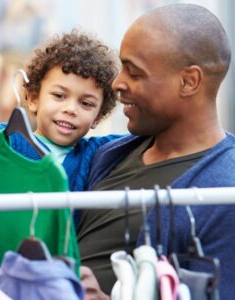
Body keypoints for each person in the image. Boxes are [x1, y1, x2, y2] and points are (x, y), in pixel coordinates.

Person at [77, 4, 235, 300]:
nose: (117, 83)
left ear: (189, 81)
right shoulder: (107, 155)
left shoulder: (226, 191)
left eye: (134, 73)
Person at [0, 30, 122, 196]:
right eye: (59, 96)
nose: (70, 109)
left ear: (99, 116)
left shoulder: (97, 155)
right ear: (33, 98)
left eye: (86, 103)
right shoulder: (3, 141)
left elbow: (145, 140)